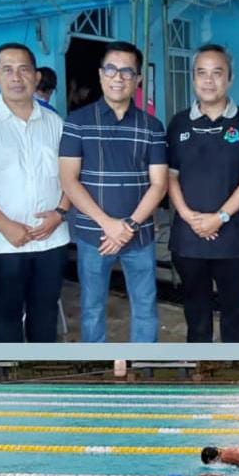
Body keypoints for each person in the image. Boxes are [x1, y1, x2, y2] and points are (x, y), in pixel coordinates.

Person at [59, 41, 167, 343]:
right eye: (111, 69)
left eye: (127, 71)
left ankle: (143, 368)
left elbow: (159, 184)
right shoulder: (77, 122)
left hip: (140, 235)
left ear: (138, 79)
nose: (118, 77)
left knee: (145, 306)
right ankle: (100, 371)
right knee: (92, 307)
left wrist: (129, 226)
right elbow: (69, 180)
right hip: (94, 236)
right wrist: (108, 224)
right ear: (100, 74)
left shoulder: (152, 126)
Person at [0, 43, 70, 342]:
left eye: (24, 69)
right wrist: (5, 226)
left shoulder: (55, 123)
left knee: (45, 315)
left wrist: (60, 213)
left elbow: (70, 178)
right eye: (7, 70)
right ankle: (9, 382)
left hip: (51, 240)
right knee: (4, 317)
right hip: (2, 244)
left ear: (36, 77)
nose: (16, 77)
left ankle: (43, 379)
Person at [165, 44, 239, 342]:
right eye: (201, 73)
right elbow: (170, 176)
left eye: (217, 73)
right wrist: (189, 217)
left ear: (230, 79)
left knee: (234, 310)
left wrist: (220, 217)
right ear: (193, 78)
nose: (208, 80)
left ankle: (233, 373)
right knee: (196, 312)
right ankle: (199, 370)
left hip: (233, 239)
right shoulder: (179, 122)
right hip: (188, 239)